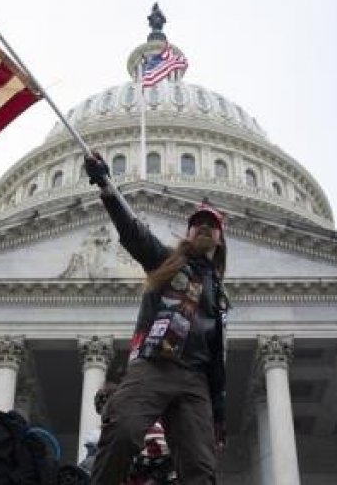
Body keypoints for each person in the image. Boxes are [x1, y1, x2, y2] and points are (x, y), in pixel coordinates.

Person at [83, 154, 230, 485]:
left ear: (219, 240)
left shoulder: (218, 295)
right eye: (198, 223)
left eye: (212, 224)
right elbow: (134, 235)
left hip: (196, 380)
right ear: (189, 233)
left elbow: (217, 356)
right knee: (122, 430)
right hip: (156, 364)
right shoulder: (168, 262)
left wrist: (218, 411)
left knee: (200, 468)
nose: (204, 226)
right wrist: (106, 186)